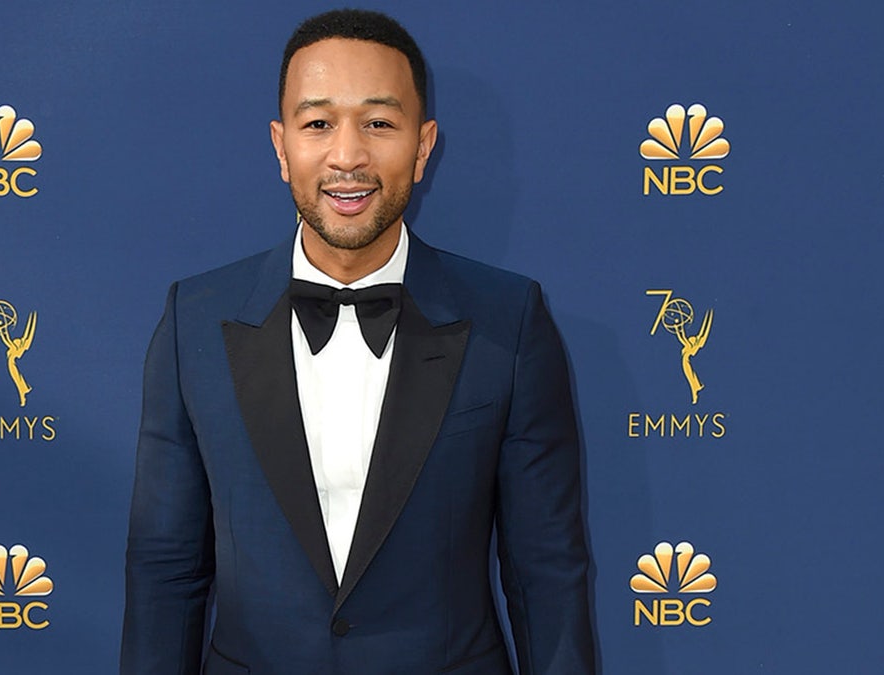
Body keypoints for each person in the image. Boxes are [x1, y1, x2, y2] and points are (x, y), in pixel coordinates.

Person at [121, 9, 595, 674]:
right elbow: (165, 569)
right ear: (281, 146)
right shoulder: (194, 320)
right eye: (318, 123)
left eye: (379, 122)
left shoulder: (509, 319)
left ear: (423, 145)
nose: (347, 155)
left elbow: (545, 571)